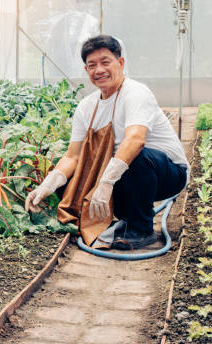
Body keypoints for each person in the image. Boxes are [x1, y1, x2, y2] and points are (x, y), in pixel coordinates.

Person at [25, 35, 188, 250]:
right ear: (87, 71)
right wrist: (47, 185)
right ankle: (122, 217)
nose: (99, 70)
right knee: (69, 178)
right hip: (125, 175)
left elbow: (136, 140)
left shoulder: (136, 93)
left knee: (136, 156)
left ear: (120, 63)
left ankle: (142, 229)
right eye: (92, 65)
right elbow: (73, 156)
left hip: (166, 174)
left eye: (105, 62)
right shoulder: (87, 106)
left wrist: (105, 183)